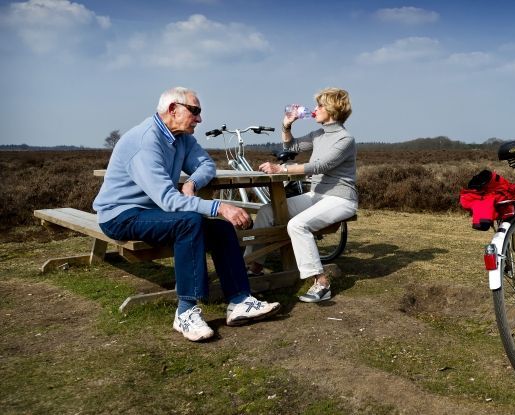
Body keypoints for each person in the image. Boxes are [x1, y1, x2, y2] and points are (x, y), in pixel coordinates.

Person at [93, 87, 281, 342]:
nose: (200, 119)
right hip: (120, 215)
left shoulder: (181, 138)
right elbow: (169, 201)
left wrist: (191, 183)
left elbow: (206, 165)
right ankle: (185, 312)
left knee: (221, 228)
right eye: (195, 111)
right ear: (173, 109)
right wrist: (220, 206)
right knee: (190, 222)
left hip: (153, 212)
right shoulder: (145, 142)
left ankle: (239, 301)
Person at [245, 87, 357, 303]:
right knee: (268, 211)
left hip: (341, 198)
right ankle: (255, 265)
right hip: (317, 195)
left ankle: (321, 283)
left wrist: (282, 170)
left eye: (319, 106)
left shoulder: (345, 139)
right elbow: (292, 146)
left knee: (297, 225)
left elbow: (319, 165)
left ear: (332, 109)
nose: (315, 109)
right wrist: (287, 125)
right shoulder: (319, 134)